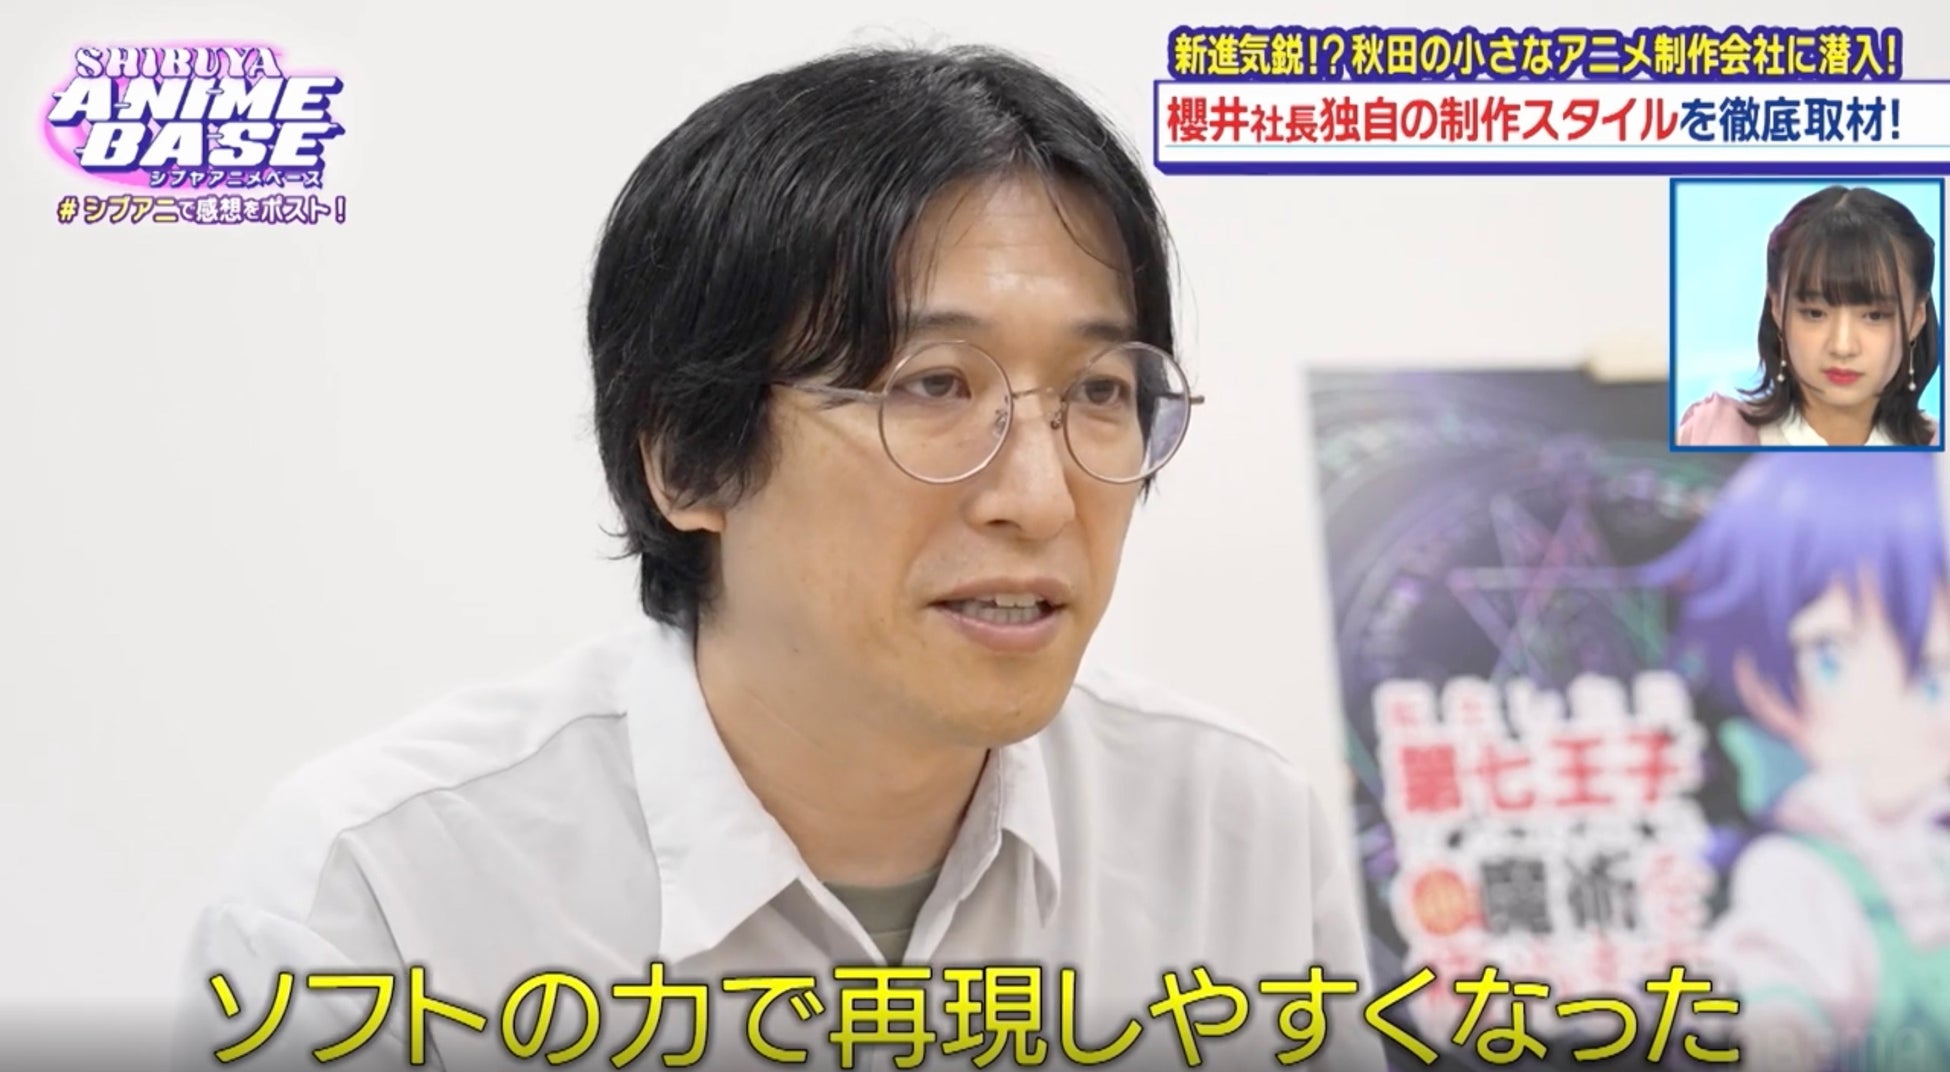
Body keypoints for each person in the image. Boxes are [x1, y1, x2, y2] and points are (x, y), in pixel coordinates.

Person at [168, 45, 1384, 1072]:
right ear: (687, 459)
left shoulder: (1235, 835)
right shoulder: (380, 900)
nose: (1039, 495)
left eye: (1101, 391)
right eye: (934, 386)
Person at [1640, 453, 1950, 1072]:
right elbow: (1776, 987)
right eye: (1829, 655)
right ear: (1763, 685)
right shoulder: (1803, 873)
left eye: (1935, 673)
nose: (1892, 709)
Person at [1675, 185, 1942, 448]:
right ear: (1777, 307)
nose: (1842, 347)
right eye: (1815, 313)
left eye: (1874, 316)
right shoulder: (1714, 435)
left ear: (1916, 318)